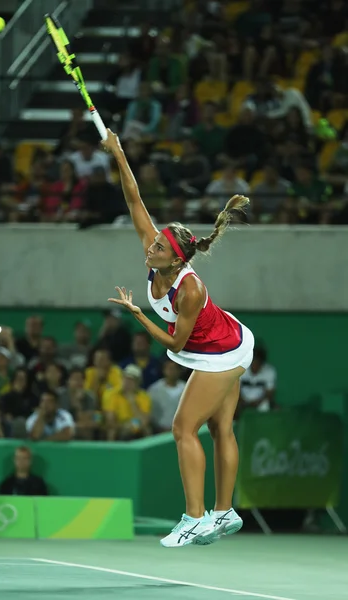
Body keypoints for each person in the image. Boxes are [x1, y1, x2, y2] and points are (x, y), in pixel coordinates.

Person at [102, 128, 254, 548]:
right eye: (153, 241)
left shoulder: (189, 289)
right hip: (229, 337)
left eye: (158, 246)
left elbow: (175, 345)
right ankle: (224, 512)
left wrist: (137, 314)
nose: (150, 246)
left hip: (220, 353)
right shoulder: (156, 253)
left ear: (176, 257)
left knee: (183, 428)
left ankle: (194, 517)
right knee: (222, 427)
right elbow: (135, 199)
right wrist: (118, 153)